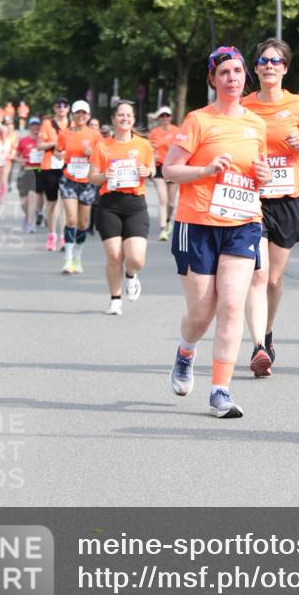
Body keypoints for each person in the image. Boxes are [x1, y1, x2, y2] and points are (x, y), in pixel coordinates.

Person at [163, 45, 270, 418]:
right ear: (212, 79)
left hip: (243, 221)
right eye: (224, 72)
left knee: (231, 304)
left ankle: (220, 390)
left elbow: (262, 172)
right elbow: (170, 170)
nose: (232, 78)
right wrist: (206, 170)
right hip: (197, 224)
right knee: (202, 310)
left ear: (245, 77)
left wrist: (265, 177)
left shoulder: (256, 124)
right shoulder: (198, 121)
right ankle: (186, 351)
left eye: (238, 72)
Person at [241, 38, 299, 376]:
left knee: (273, 280)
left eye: (275, 61)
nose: (269, 65)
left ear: (285, 68)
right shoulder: (244, 106)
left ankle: (268, 333)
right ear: (256, 68)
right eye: (263, 61)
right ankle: (258, 346)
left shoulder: (298, 104)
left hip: (287, 199)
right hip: (252, 199)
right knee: (256, 275)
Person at [89, 100, 155, 314]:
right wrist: (103, 175)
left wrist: (148, 172)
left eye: (129, 115)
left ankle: (131, 275)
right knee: (114, 256)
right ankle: (115, 298)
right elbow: (92, 178)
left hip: (135, 204)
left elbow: (152, 168)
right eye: (121, 115)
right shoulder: (102, 146)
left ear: (133, 119)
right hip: (109, 205)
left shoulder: (143, 145)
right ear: (113, 119)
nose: (125, 118)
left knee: (136, 258)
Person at [55, 100, 101, 274]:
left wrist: (93, 154)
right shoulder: (64, 134)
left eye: (84, 113)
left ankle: (77, 257)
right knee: (71, 219)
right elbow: (57, 151)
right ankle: (67, 258)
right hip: (69, 179)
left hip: (87, 181)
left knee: (83, 223)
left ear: (88, 116)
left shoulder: (95, 135)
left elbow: (103, 156)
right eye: (77, 113)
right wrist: (60, 154)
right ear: (72, 115)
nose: (81, 116)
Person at [37, 97, 71, 251]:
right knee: (51, 202)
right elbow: (39, 145)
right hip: (49, 166)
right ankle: (51, 235)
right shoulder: (47, 124)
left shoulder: (73, 125)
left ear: (68, 108)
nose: (61, 108)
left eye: (64, 106)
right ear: (54, 108)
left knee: (65, 202)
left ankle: (63, 237)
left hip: (67, 166)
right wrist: (55, 144)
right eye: (58, 106)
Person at [148, 106, 179, 241]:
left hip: (173, 167)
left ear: (170, 118)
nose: (165, 119)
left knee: (171, 203)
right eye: (162, 116)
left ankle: (167, 221)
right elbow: (150, 148)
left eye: (167, 116)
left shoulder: (177, 131)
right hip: (159, 168)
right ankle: (163, 229)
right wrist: (152, 156)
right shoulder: (154, 133)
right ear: (159, 118)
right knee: (162, 199)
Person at [15, 117, 44, 232]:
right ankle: (28, 216)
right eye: (33, 125)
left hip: (37, 171)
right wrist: (20, 161)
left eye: (37, 125)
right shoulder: (23, 141)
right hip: (25, 171)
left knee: (33, 196)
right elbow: (15, 156)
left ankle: (31, 224)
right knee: (23, 202)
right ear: (29, 127)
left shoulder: (43, 141)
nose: (35, 127)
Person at [0, 123, 16, 203]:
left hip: (6, 162)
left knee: (4, 180)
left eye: (5, 132)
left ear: (7, 133)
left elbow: (14, 152)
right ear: (0, 133)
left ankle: (1, 197)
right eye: (2, 132)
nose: (3, 134)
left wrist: (11, 156)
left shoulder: (10, 142)